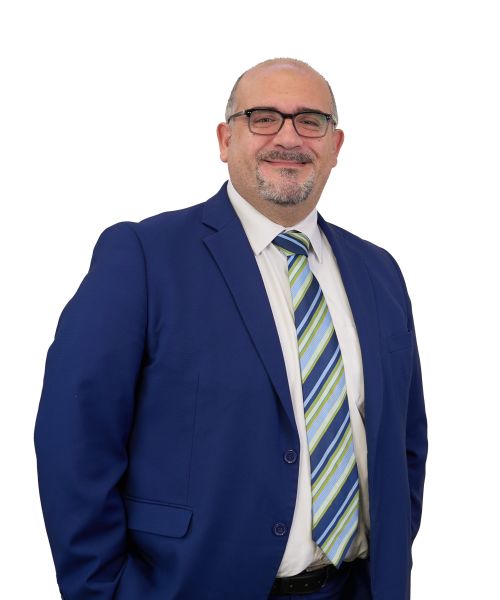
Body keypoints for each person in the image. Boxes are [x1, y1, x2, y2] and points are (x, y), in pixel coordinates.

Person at [35, 58, 427, 600]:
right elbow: (75, 439)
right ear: (225, 140)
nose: (288, 137)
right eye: (263, 118)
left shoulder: (379, 271)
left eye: (310, 121)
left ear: (336, 145)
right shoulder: (145, 257)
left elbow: (405, 440)